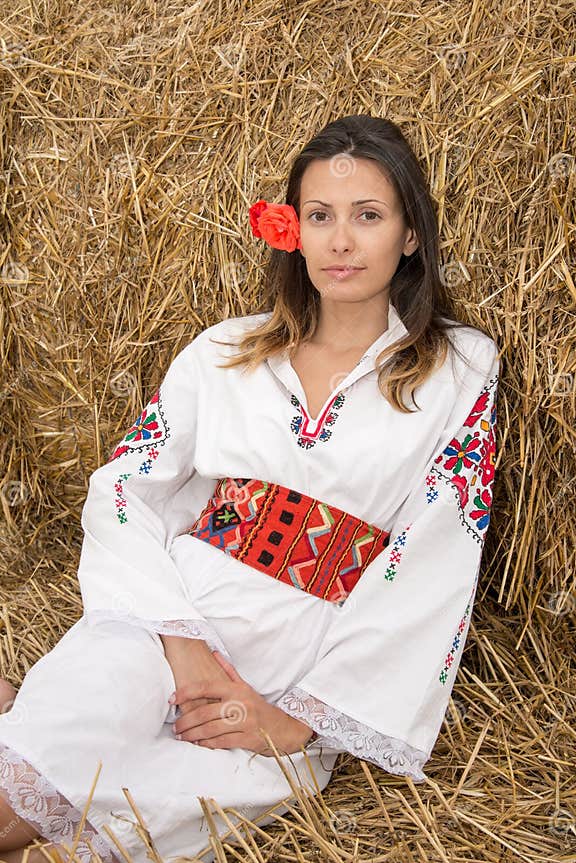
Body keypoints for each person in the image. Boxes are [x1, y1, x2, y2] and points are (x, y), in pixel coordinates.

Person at [0, 114, 500, 863]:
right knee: (21, 795)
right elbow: (121, 491)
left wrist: (304, 721)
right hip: (169, 617)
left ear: (410, 234)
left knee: (106, 828)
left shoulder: (460, 368)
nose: (340, 241)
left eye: (368, 216)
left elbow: (436, 552)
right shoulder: (226, 350)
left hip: (296, 657)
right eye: (320, 216)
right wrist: (180, 637)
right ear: (291, 229)